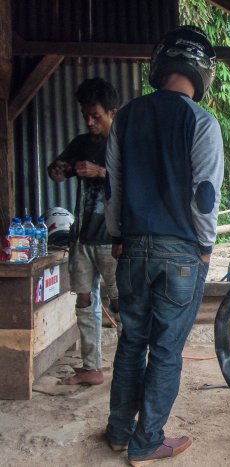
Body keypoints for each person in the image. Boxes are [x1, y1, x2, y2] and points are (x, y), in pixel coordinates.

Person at [104, 26, 223, 465]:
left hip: (132, 247)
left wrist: (118, 236)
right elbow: (205, 195)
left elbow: (113, 189)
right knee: (167, 349)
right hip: (181, 254)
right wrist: (206, 248)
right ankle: (147, 440)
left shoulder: (127, 117)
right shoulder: (202, 122)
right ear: (203, 72)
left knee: (132, 342)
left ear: (160, 65)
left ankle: (119, 431)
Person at [47, 77, 120, 386]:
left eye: (96, 116)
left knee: (122, 304)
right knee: (85, 303)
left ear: (112, 112)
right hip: (82, 239)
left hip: (113, 240)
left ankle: (131, 368)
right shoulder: (80, 143)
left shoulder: (122, 143)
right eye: (86, 116)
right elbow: (56, 172)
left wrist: (101, 172)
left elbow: (135, 182)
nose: (90, 122)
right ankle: (92, 367)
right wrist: (58, 170)